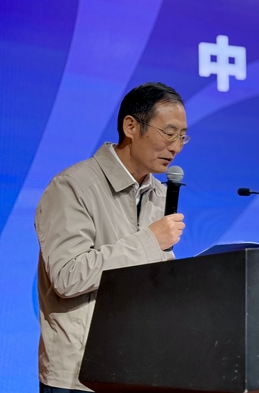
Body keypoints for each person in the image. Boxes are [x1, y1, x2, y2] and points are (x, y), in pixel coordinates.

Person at [35, 82, 188, 392]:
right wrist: (149, 241)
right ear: (131, 126)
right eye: (169, 133)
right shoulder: (72, 186)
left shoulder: (160, 194)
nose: (176, 147)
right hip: (79, 376)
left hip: (138, 367)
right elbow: (67, 276)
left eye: (182, 136)